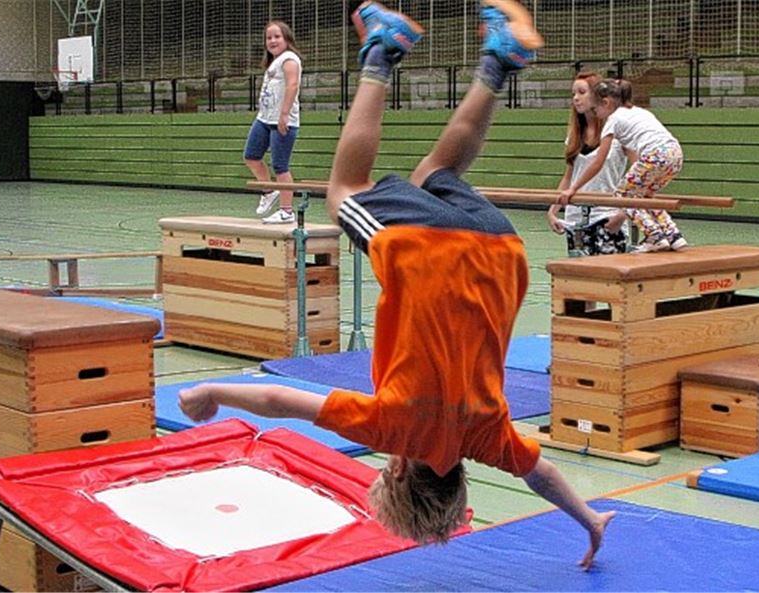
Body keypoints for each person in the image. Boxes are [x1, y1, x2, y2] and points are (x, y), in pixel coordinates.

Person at [181, 0, 615, 569]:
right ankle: (381, 51)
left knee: (434, 173)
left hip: (500, 252)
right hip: (427, 255)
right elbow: (279, 400)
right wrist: (213, 393)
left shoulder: (488, 440)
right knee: (344, 191)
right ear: (400, 471)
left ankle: (497, 61)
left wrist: (589, 520)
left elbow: (542, 475)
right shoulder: (393, 428)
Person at [558, 78, 687, 253]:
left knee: (623, 196)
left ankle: (655, 235)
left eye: (595, 109)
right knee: (646, 195)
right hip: (675, 154)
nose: (596, 114)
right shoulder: (639, 112)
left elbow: (598, 163)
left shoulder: (612, 120)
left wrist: (573, 189)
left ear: (606, 103)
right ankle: (673, 235)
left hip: (654, 155)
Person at [546, 71, 629, 257]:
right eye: (573, 94)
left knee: (607, 271)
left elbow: (639, 175)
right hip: (576, 217)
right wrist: (552, 211)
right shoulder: (574, 136)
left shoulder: (618, 132)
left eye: (582, 92)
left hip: (607, 214)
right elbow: (569, 177)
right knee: (580, 272)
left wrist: (624, 213)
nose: (576, 98)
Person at [245, 20, 302, 224]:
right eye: (269, 38)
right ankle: (269, 191)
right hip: (264, 118)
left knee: (280, 166)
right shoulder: (274, 62)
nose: (272, 41)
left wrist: (284, 115)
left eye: (277, 36)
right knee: (251, 156)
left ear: (286, 39)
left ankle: (286, 211)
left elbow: (293, 85)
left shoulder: (289, 59)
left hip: (282, 121)